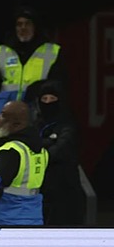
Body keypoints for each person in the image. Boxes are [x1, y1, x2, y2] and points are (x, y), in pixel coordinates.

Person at [0, 101, 48, 226]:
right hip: (33, 217)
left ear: (16, 124)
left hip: (4, 220)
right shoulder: (41, 151)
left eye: (2, 115)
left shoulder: (9, 152)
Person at [0, 6, 67, 113]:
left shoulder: (51, 52)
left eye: (27, 23)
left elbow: (58, 85)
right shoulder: (1, 52)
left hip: (36, 114)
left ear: (35, 26)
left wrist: (37, 88)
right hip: (5, 114)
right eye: (19, 24)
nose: (23, 27)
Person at [34, 81, 85, 226]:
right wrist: (49, 141)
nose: (48, 103)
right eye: (44, 99)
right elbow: (31, 145)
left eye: (52, 99)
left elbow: (61, 149)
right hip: (42, 190)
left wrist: (42, 147)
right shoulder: (36, 124)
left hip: (66, 188)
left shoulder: (68, 123)